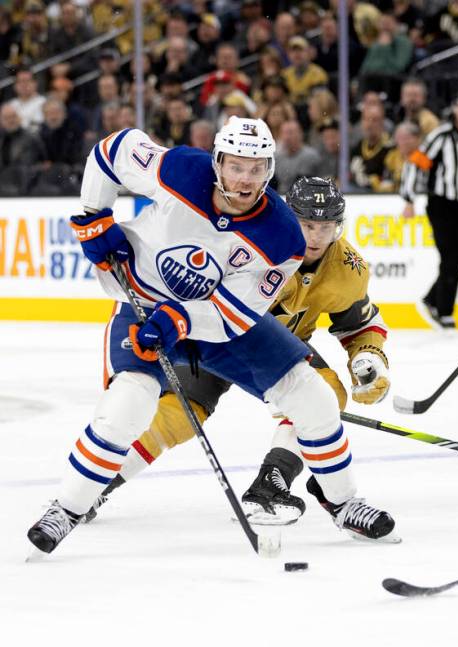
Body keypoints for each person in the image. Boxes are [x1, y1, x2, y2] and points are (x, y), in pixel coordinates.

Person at [26, 118, 395, 554]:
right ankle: (67, 508)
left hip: (218, 323)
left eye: (257, 169)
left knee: (311, 394)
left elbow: (233, 315)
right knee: (130, 403)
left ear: (270, 170)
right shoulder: (180, 169)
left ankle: (344, 501)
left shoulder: (282, 236)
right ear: (217, 160)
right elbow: (112, 150)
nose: (245, 179)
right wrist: (95, 216)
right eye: (236, 166)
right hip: (141, 304)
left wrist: (178, 319)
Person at [82, 177, 394, 534]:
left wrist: (368, 361)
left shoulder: (347, 269)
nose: (316, 236)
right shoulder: (254, 241)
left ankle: (271, 484)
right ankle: (96, 486)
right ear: (289, 218)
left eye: (326, 227)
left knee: (326, 393)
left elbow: (358, 325)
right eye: (307, 225)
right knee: (175, 417)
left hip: (277, 351)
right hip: (212, 338)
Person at [401, 86, 458, 329]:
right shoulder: (441, 136)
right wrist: (408, 199)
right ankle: (444, 311)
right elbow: (415, 164)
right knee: (451, 257)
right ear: (456, 110)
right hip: (440, 203)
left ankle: (432, 300)